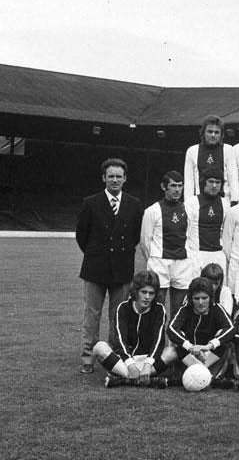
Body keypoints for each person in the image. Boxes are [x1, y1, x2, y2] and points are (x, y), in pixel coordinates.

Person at [76, 158, 144, 374]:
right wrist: (97, 254)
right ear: (104, 178)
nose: (115, 180)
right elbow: (82, 236)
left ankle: (114, 356)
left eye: (119, 176)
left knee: (118, 315)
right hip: (95, 268)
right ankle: (88, 357)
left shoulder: (134, 204)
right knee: (92, 315)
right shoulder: (91, 202)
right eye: (111, 176)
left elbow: (135, 236)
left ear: (125, 179)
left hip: (122, 269)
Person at [92, 270, 174, 388]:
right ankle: (143, 379)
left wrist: (148, 364)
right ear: (136, 291)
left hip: (149, 361)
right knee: (99, 347)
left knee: (172, 352)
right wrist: (130, 365)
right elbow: (120, 340)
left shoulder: (159, 309)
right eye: (143, 292)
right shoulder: (123, 308)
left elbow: (159, 341)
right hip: (125, 360)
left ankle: (124, 379)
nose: (147, 297)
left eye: (151, 293)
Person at [140, 171, 195, 321]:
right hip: (160, 263)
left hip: (182, 264)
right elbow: (145, 241)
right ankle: (156, 336)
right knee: (157, 307)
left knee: (180, 310)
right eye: (173, 186)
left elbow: (190, 236)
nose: (177, 190)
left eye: (180, 186)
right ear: (164, 187)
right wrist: (153, 259)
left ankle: (174, 337)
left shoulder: (188, 210)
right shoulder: (152, 211)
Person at [167, 277, 235, 380]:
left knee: (223, 336)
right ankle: (201, 373)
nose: (200, 302)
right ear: (191, 299)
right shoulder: (185, 309)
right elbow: (171, 328)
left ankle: (204, 373)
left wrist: (209, 346)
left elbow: (231, 328)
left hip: (209, 356)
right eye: (196, 298)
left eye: (204, 298)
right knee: (178, 338)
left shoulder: (217, 309)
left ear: (210, 297)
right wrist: (190, 347)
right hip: (189, 355)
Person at [183, 115, 239, 204]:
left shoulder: (228, 150)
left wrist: (235, 200)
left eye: (216, 132)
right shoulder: (192, 151)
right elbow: (189, 181)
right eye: (210, 132)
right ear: (203, 133)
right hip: (199, 203)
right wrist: (187, 203)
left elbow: (233, 178)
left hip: (224, 202)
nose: (213, 135)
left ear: (221, 135)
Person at [184, 168, 229, 273]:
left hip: (218, 255)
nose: (214, 185)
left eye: (218, 182)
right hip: (197, 255)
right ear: (204, 182)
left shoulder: (225, 204)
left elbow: (226, 233)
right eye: (211, 182)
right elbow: (185, 232)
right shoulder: (191, 203)